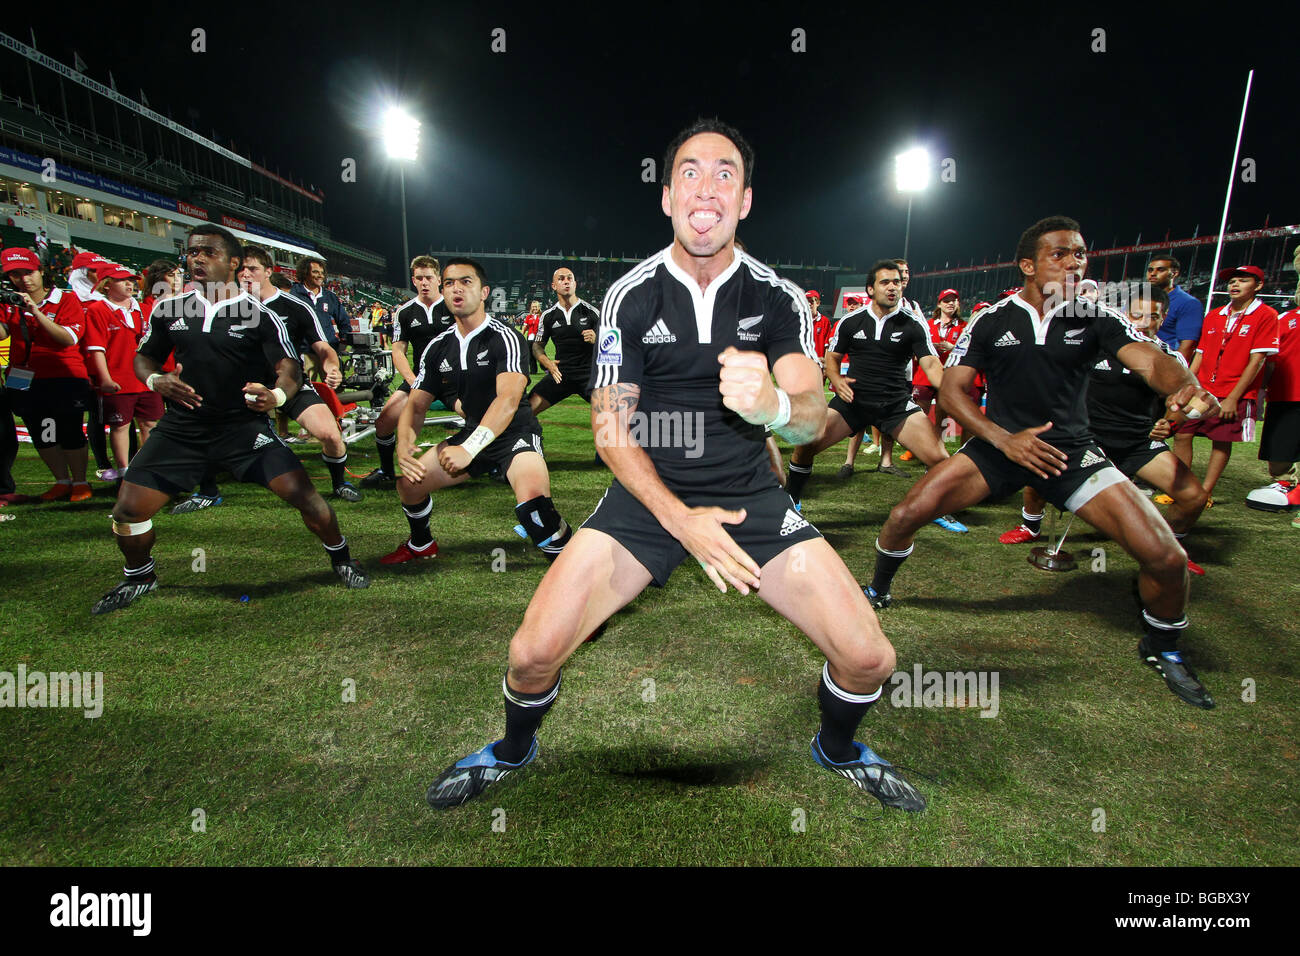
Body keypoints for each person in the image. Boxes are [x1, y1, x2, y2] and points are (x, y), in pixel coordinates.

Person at [423, 119, 925, 814]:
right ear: (667, 197)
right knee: (531, 654)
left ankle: (837, 749)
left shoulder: (776, 297)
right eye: (690, 171)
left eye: (726, 173)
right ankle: (513, 750)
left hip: (750, 495)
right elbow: (609, 432)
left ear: (745, 200)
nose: (707, 188)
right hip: (646, 497)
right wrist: (681, 521)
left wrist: (775, 405)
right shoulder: (631, 295)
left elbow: (812, 414)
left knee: (871, 658)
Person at [865, 215, 1222, 709]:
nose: (1075, 262)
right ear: (1028, 264)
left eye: (1080, 253)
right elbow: (952, 391)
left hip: (1072, 455)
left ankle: (1162, 647)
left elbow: (1150, 360)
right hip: (997, 450)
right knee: (905, 516)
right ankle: (878, 589)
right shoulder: (991, 319)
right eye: (1061, 253)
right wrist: (1001, 438)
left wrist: (1183, 385)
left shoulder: (1096, 315)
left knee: (1167, 557)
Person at [91, 225, 369, 615]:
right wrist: (156, 379)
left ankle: (342, 559)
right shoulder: (171, 308)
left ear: (233, 263)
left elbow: (288, 366)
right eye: (191, 253)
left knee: (304, 496)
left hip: (242, 427)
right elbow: (145, 356)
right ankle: (139, 575)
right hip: (183, 428)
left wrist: (275, 395)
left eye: (208, 252)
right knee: (128, 511)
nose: (197, 259)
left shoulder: (259, 316)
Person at [998, 285, 1210, 575]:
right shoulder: (1093, 346)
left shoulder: (1170, 359)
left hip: (1137, 442)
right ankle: (1030, 526)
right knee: (1038, 474)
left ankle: (1170, 547)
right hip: (1086, 439)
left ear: (1163, 320)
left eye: (1154, 317)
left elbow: (1180, 405)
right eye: (1137, 314)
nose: (1144, 322)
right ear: (1126, 315)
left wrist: (1170, 423)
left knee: (1193, 497)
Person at [379, 258, 573, 564]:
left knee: (535, 510)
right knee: (409, 485)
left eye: (465, 282)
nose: (456, 288)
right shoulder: (437, 347)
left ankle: (568, 560)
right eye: (449, 283)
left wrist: (469, 448)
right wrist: (404, 444)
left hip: (514, 435)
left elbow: (508, 401)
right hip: (472, 433)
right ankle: (421, 544)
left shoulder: (505, 337)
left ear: (484, 292)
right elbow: (415, 404)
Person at [784, 259, 950, 513]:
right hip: (854, 402)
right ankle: (791, 502)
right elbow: (833, 358)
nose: (892, 287)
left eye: (896, 282)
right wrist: (837, 379)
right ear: (871, 289)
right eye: (885, 282)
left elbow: (930, 364)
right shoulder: (851, 322)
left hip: (895, 405)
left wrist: (949, 391)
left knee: (940, 460)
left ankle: (935, 509)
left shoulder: (914, 324)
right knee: (806, 443)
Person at [238, 246, 362, 502]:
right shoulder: (228, 306)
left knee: (331, 435)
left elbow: (323, 347)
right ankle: (208, 490)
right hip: (245, 386)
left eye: (252, 269)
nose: (245, 275)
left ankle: (339, 483)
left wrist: (332, 367)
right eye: (240, 270)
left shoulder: (295, 306)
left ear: (269, 272)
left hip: (290, 384)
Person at [1167, 265, 1280, 506]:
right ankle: (1184, 488)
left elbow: (1257, 360)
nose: (1234, 285)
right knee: (1182, 433)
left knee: (1221, 440)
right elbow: (1200, 354)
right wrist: (1186, 385)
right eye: (1231, 281)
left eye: (1242, 280)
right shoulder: (1215, 314)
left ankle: (1204, 492)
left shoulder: (1266, 315)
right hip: (1203, 388)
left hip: (1232, 391)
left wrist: (1232, 397)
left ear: (1258, 286)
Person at [0, 247, 94, 503]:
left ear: (41, 271)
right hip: (23, 376)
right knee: (42, 432)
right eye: (16, 275)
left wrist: (36, 312)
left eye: (28, 272)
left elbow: (67, 338)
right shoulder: (8, 302)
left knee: (70, 429)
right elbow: (2, 334)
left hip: (65, 375)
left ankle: (80, 481)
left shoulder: (65, 299)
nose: (24, 280)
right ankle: (61, 481)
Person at [359, 256, 453, 489]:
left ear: (438, 279)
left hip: (455, 378)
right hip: (421, 379)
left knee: (481, 415)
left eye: (429, 277)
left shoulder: (453, 305)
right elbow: (398, 351)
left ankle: (494, 464)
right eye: (419, 278)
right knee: (383, 422)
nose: (424, 282)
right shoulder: (404, 312)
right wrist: (412, 381)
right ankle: (387, 472)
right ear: (413, 280)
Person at [85, 265, 162, 480]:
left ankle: (146, 470)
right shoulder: (97, 310)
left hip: (146, 379)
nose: (130, 284)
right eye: (122, 280)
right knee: (120, 427)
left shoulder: (145, 310)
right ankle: (125, 473)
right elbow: (96, 349)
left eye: (132, 280)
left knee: (150, 424)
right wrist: (105, 379)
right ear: (107, 284)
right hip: (118, 380)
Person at [1244, 299, 1300, 514]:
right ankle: (1285, 482)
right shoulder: (1285, 319)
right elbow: (1270, 359)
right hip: (1286, 394)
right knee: (1279, 451)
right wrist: (1260, 390)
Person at [529, 268, 600, 418]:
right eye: (561, 279)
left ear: (575, 284)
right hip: (560, 374)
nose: (566, 281)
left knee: (617, 415)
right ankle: (524, 440)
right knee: (525, 411)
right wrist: (546, 362)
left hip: (589, 374)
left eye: (570, 278)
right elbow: (537, 346)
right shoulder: (548, 316)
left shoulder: (592, 312)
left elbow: (615, 347)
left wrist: (598, 339)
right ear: (553, 286)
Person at [1147, 252, 1203, 362]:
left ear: (1174, 273)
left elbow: (1187, 345)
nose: (1153, 273)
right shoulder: (1140, 299)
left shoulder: (1189, 303)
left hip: (1162, 362)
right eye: (1150, 270)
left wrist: (1173, 371)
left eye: (1160, 270)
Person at [291, 256, 349, 350]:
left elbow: (344, 322)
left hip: (328, 351)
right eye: (315, 272)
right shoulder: (293, 294)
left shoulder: (330, 297)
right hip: (302, 352)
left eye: (322, 273)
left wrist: (344, 340)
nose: (320, 276)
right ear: (305, 273)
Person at [522, 301, 542, 375]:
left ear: (538, 307)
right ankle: (533, 371)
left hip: (538, 337)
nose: (534, 308)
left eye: (536, 306)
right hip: (530, 337)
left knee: (539, 353)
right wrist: (521, 335)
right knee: (530, 354)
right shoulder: (528, 317)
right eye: (533, 307)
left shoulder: (541, 316)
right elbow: (525, 327)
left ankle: (546, 368)